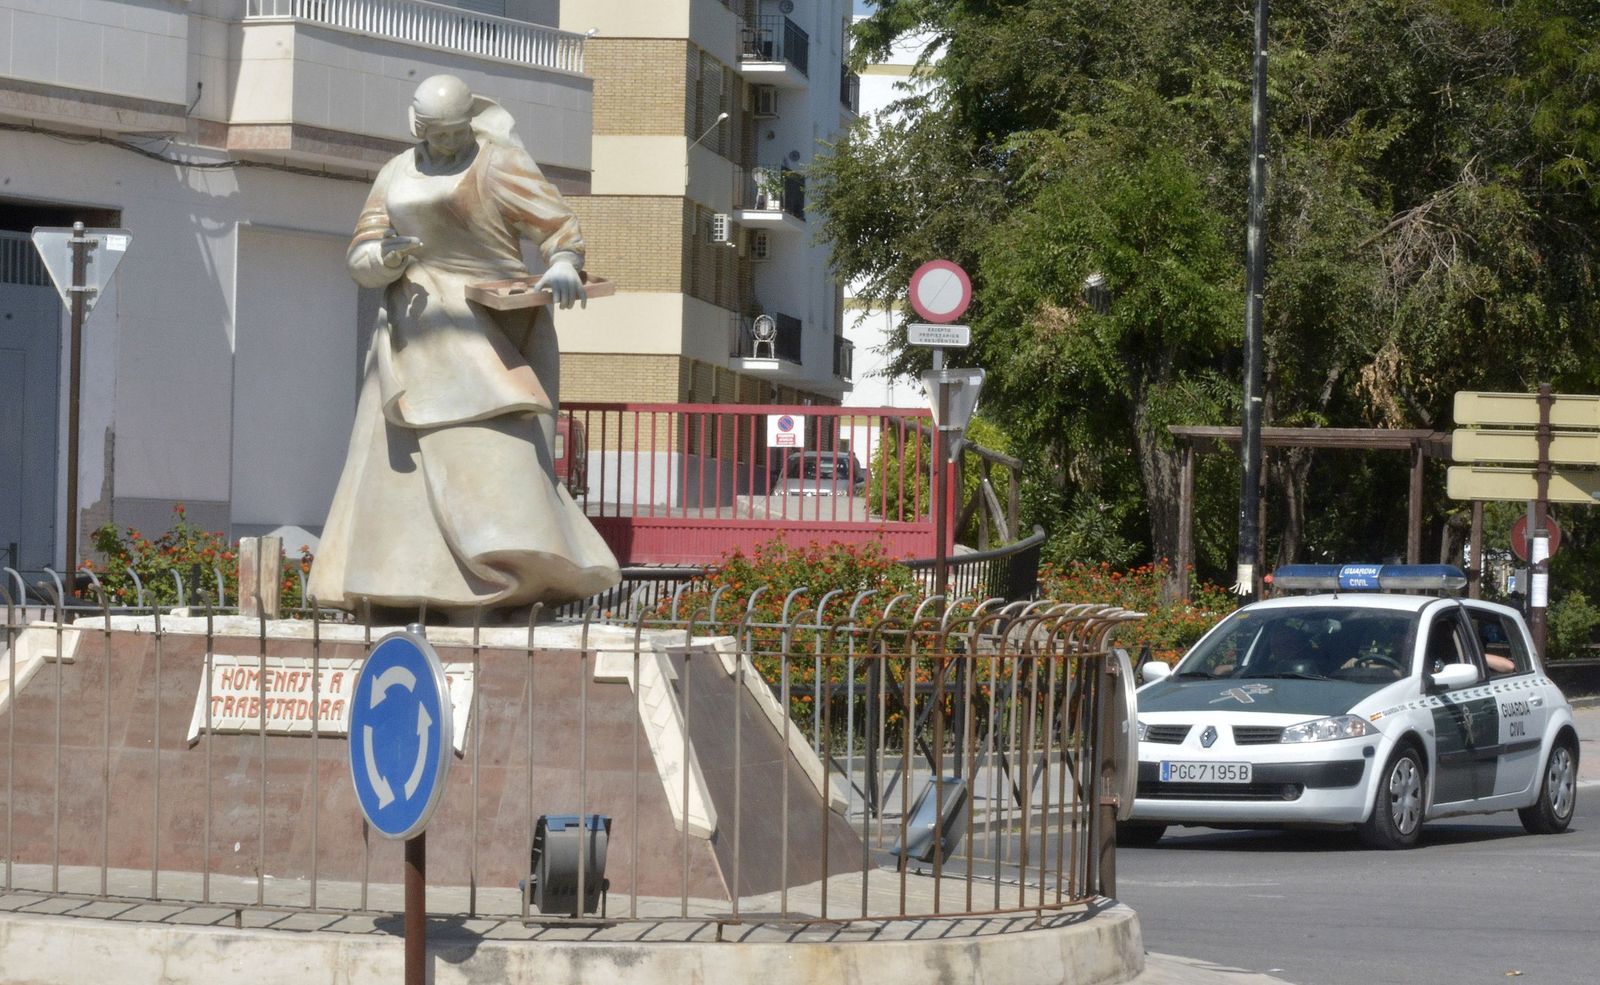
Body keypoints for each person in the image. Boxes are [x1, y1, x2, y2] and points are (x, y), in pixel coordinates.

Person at [308, 75, 620, 618]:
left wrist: (565, 262)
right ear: (416, 126)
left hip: (487, 334)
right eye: (435, 133)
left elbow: (557, 227)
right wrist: (385, 259)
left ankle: (504, 587)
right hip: (413, 331)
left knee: (493, 461)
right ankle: (400, 589)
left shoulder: (497, 162)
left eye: (455, 132)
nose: (447, 144)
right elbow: (362, 246)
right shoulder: (397, 171)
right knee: (397, 470)